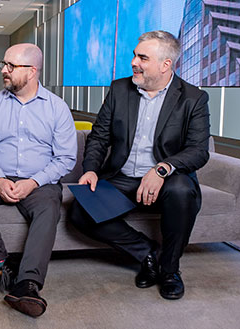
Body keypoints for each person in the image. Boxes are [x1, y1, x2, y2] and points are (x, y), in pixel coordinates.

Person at [70, 30, 210, 300]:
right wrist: (90, 169)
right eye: (135, 55)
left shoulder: (193, 98)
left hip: (168, 180)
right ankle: (148, 254)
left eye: (143, 58)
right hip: (122, 177)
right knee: (79, 212)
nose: (134, 62)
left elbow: (197, 151)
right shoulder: (120, 89)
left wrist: (161, 169)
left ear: (165, 64)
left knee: (182, 190)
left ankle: (169, 271)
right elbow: (99, 136)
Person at [0, 43, 77, 317]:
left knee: (49, 208)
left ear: (32, 71)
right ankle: (3, 266)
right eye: (4, 64)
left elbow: (66, 158)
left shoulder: (57, 108)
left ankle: (28, 284)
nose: (4, 71)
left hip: (39, 180)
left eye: (11, 66)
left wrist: (33, 182)